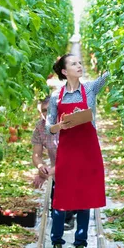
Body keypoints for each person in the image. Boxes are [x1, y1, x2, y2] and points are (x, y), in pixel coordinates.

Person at [46, 53, 108, 248]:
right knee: (61, 200)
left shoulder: (90, 88)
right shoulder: (57, 97)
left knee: (86, 199)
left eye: (80, 63)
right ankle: (57, 244)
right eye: (74, 64)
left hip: (89, 151)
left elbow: (110, 74)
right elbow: (49, 127)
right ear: (64, 71)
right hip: (68, 151)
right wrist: (59, 126)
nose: (79, 66)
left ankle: (80, 247)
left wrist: (106, 58)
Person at [32, 97, 75, 230]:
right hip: (57, 172)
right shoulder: (40, 128)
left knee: (69, 203)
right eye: (44, 111)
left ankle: (71, 215)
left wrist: (47, 173)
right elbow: (36, 155)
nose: (47, 113)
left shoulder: (68, 126)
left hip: (75, 169)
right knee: (56, 205)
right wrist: (41, 167)